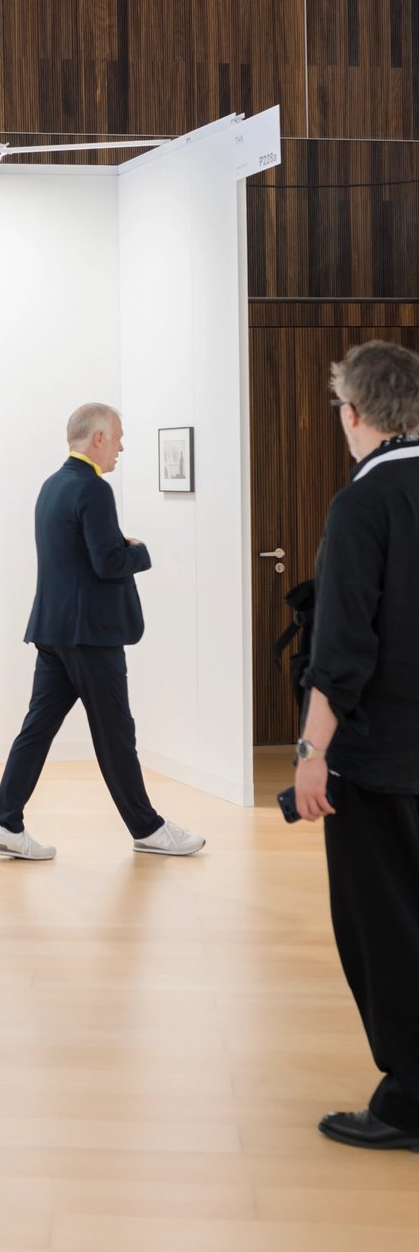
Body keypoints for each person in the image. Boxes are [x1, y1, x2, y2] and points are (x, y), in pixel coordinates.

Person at [294, 341, 419, 1151]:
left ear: (355, 414)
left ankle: (409, 1100)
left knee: (385, 929)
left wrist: (310, 752)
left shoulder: (362, 505)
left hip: (379, 763)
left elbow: (340, 652)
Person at [0, 403, 204, 859]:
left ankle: (5, 823)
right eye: (118, 437)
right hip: (91, 637)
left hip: (54, 633)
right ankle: (148, 829)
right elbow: (108, 563)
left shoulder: (52, 486)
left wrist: (115, 546)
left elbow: (77, 556)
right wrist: (140, 551)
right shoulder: (93, 489)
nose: (122, 447)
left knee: (36, 730)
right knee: (115, 735)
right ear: (97, 437)